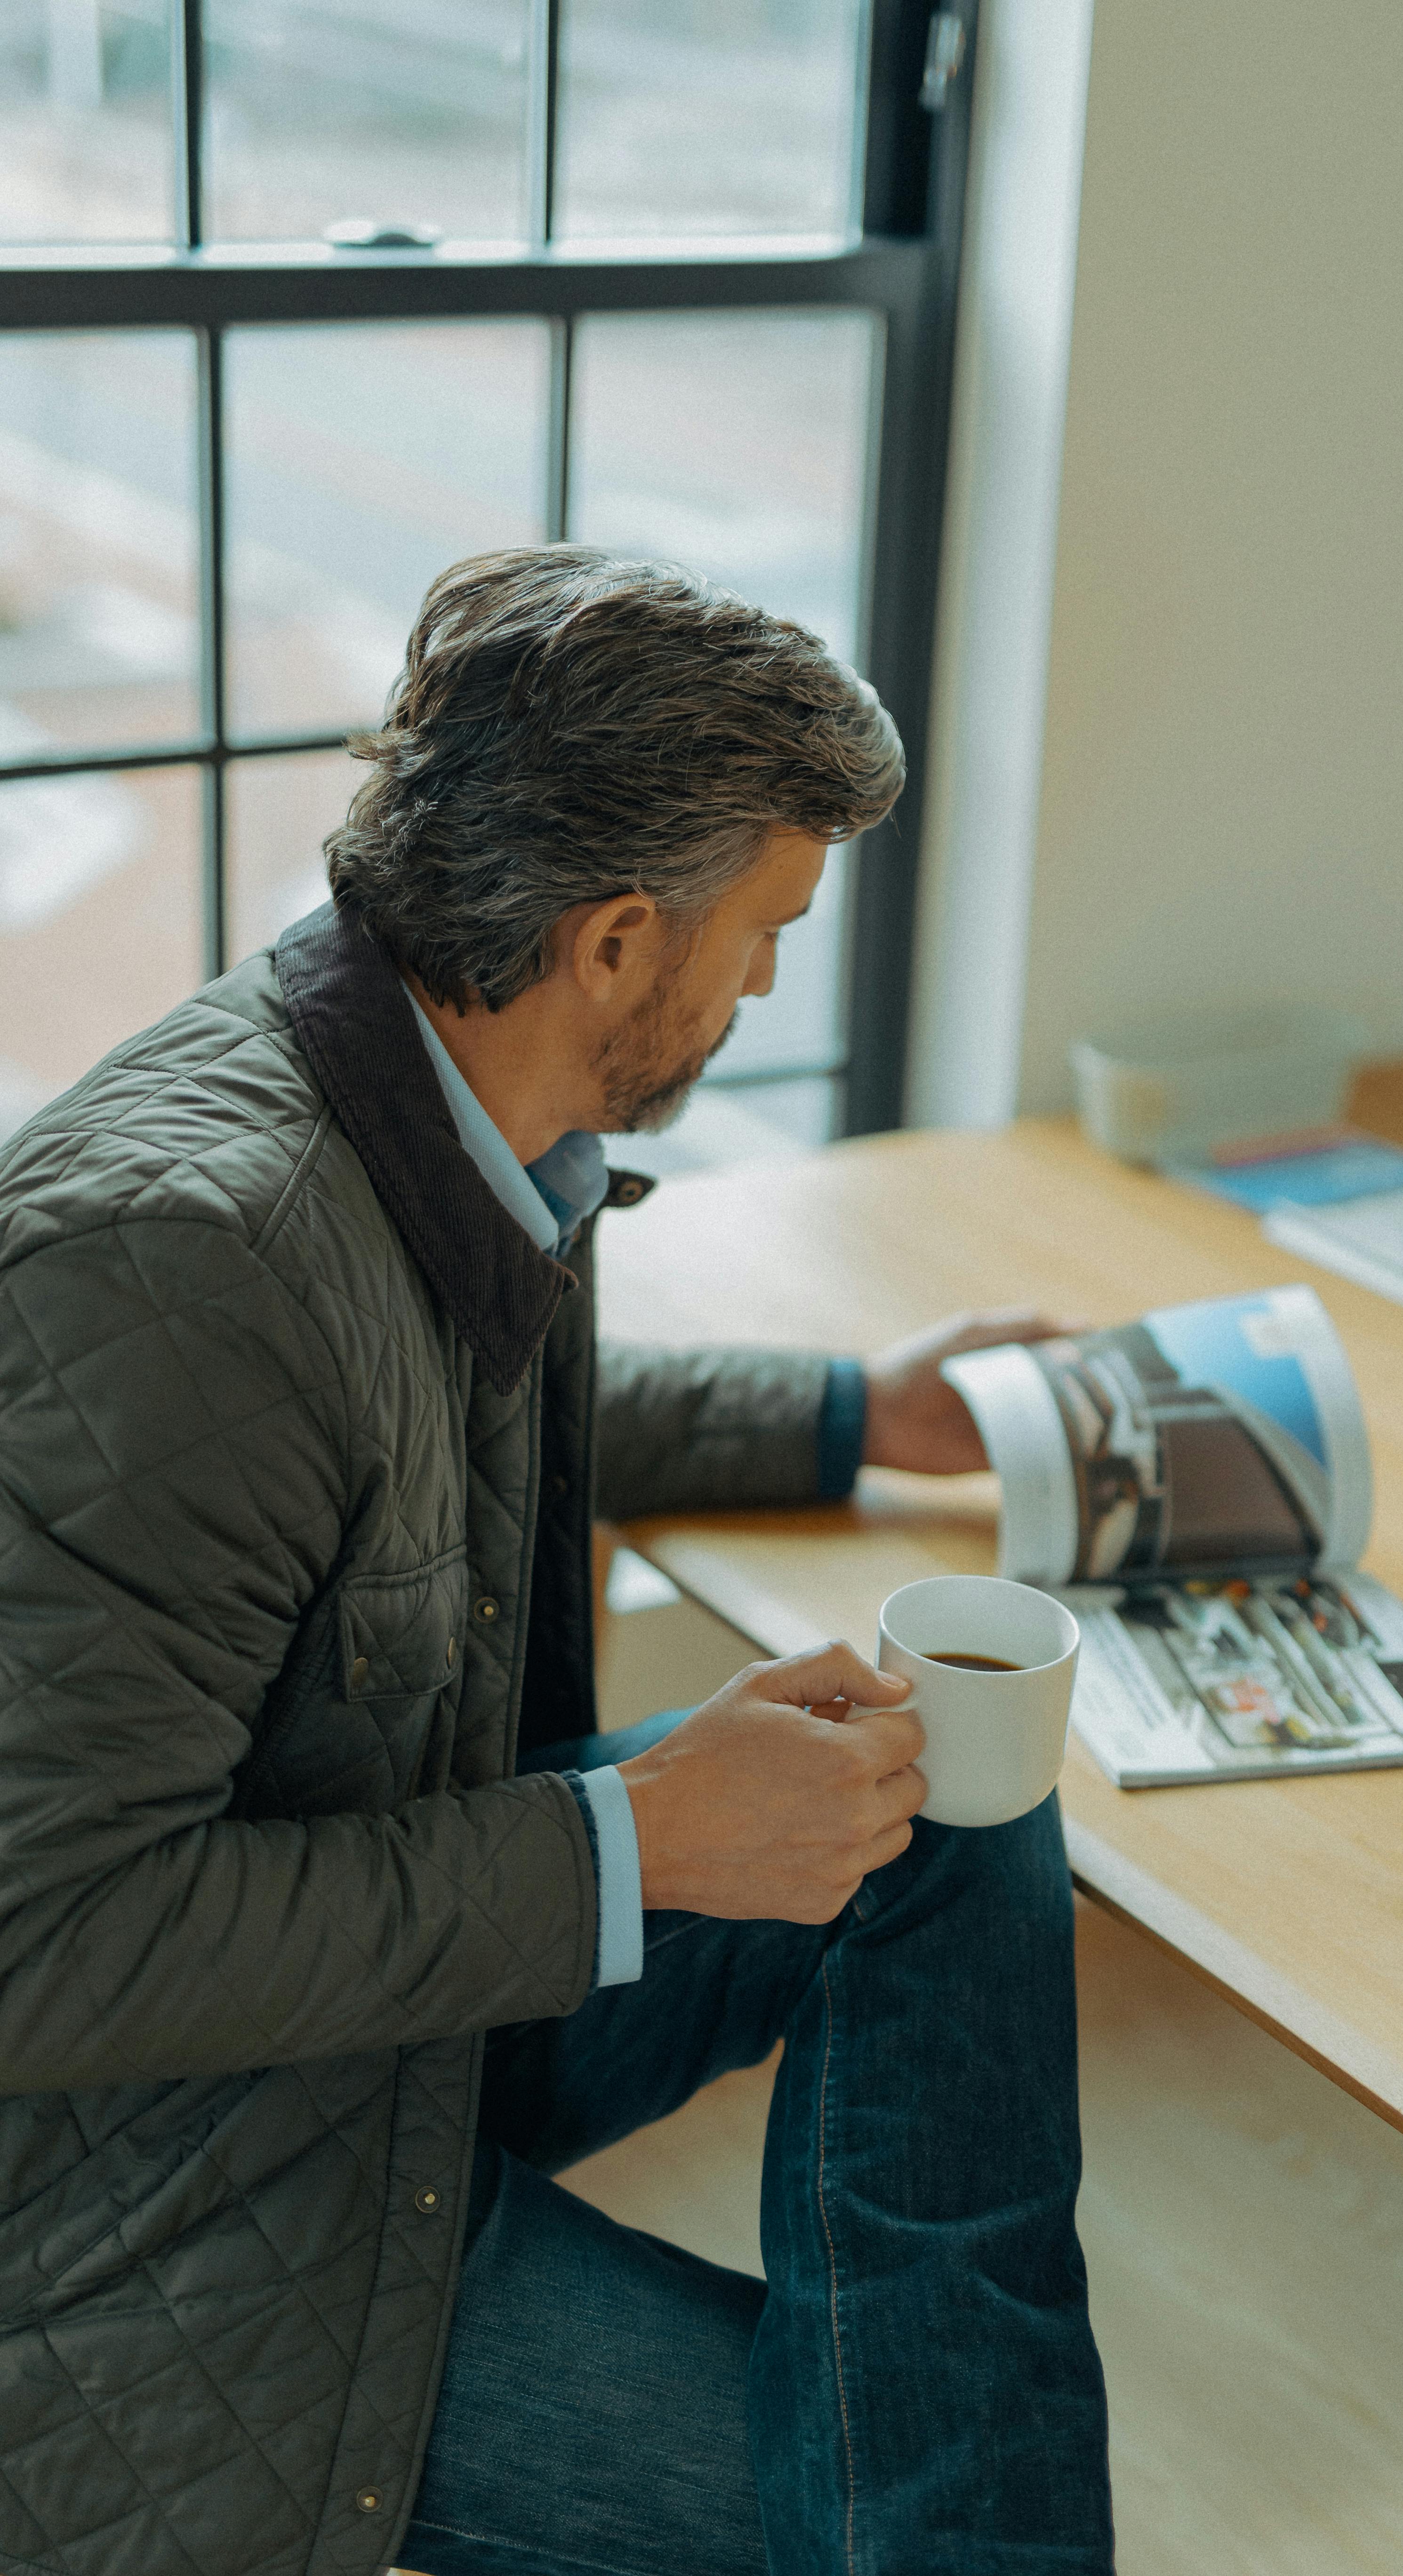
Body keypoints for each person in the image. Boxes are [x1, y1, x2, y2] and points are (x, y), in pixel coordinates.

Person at [0, 549, 1113, 2576]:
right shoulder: (177, 1256)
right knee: (877, 2517)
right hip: (169, 2202)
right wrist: (644, 1849)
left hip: (391, 2006)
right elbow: (42, 1947)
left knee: (951, 1798)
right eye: (766, 930)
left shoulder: (408, 1092)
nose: (769, 982)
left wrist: (863, 1412)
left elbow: (404, 1422)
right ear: (615, 942)